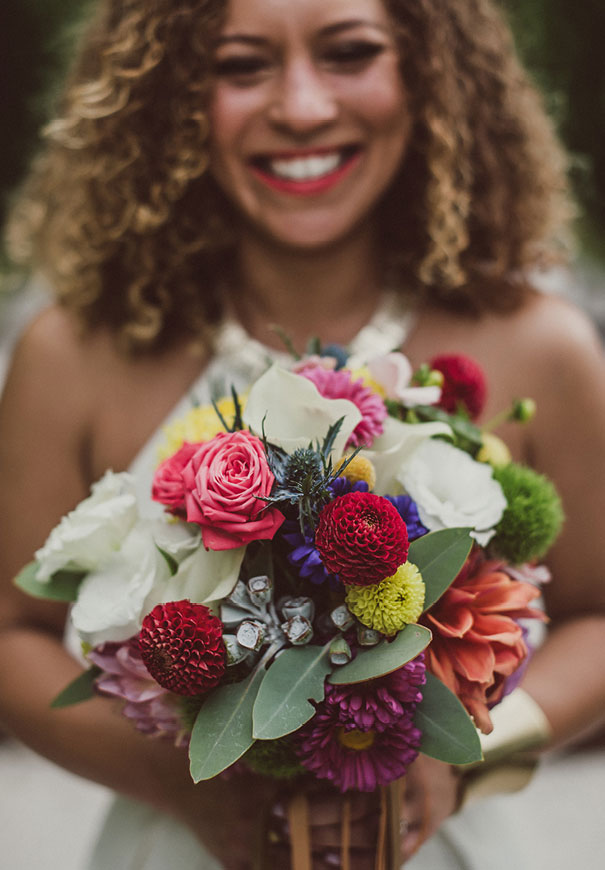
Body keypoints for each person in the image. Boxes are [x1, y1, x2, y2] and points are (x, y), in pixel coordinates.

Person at [1, 0, 604, 868]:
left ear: (430, 75)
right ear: (171, 94)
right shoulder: (73, 355)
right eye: (242, 65)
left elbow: (594, 613)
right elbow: (10, 633)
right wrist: (185, 780)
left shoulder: (540, 350)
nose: (302, 107)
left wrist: (463, 753)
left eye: (349, 52)